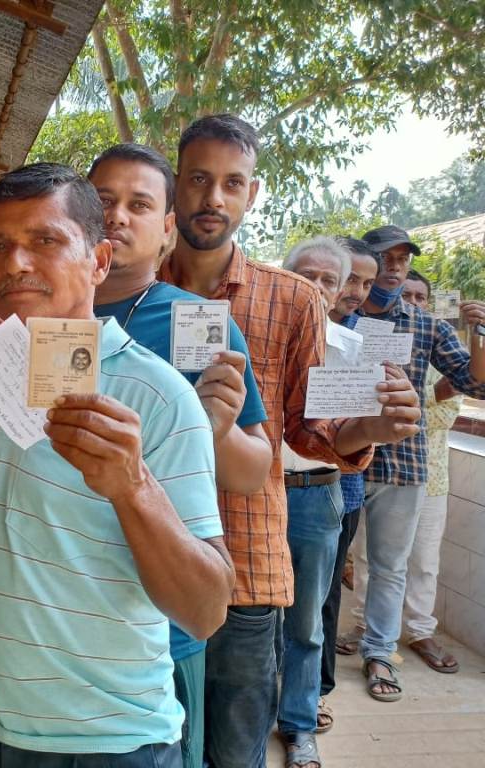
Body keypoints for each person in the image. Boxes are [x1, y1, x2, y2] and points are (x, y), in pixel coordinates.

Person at [0, 162, 235, 768]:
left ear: (100, 261)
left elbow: (207, 610)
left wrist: (132, 488)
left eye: (46, 241)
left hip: (111, 742)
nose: (15, 264)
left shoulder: (158, 396)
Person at [157, 115, 421, 768]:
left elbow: (315, 431)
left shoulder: (295, 300)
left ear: (253, 194)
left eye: (231, 183)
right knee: (154, 746)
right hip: (145, 558)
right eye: (197, 179)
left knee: (236, 749)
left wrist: (374, 428)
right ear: (176, 184)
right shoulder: (132, 291)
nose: (212, 198)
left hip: (246, 560)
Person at [89, 143, 271, 768]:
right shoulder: (34, 321)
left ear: (167, 227)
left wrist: (215, 429)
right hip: (52, 625)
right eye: (103, 202)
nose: (117, 217)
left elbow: (253, 472)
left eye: (139, 204)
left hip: (162, 620)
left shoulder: (200, 324)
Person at [346, 225, 485, 702]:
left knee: (390, 567)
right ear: (366, 260)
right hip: (334, 459)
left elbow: (474, 382)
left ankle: (379, 653)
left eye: (404, 258)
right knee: (323, 566)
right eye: (388, 256)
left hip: (401, 463)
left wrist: (479, 333)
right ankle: (314, 658)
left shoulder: (425, 323)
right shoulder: (336, 315)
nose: (396, 265)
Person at [278, 236, 393, 767]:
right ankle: (245, 718)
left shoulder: (353, 353)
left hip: (314, 494)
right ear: (286, 274)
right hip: (252, 491)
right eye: (306, 273)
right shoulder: (257, 337)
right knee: (243, 618)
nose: (316, 286)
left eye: (329, 279)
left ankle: (300, 724)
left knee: (306, 621)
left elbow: (352, 438)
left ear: (342, 288)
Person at [318, 237, 381, 727]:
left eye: (364, 282)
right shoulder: (293, 326)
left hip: (347, 486)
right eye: (350, 279)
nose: (355, 291)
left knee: (325, 593)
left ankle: (316, 688)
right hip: (284, 480)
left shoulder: (369, 340)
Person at [399, 270, 463, 673]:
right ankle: (362, 629)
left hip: (433, 475)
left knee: (423, 559)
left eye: (421, 297)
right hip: (385, 471)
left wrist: (416, 399)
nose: (415, 303)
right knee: (374, 559)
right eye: (407, 295)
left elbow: (443, 416)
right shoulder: (378, 346)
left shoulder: (440, 352)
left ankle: (420, 630)